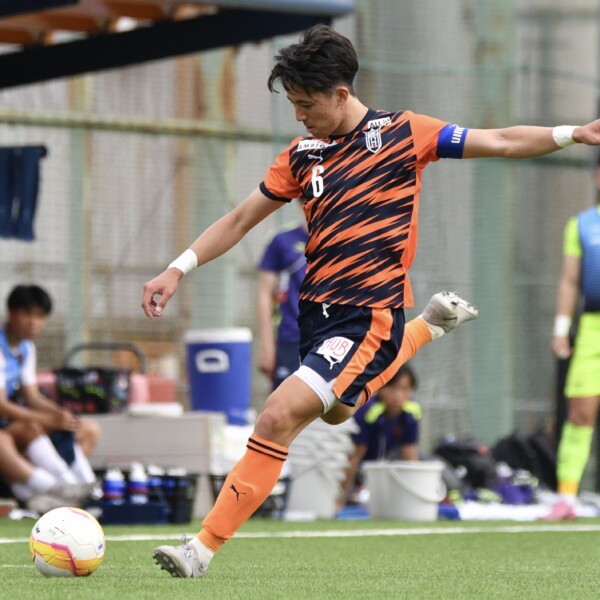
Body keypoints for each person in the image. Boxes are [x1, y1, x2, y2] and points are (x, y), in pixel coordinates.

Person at [141, 24, 600, 577]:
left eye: (306, 104)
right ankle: (425, 328)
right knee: (338, 411)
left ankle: (201, 548)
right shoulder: (302, 154)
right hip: (316, 315)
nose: (298, 116)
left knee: (278, 415)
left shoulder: (404, 133)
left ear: (341, 94)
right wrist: (177, 267)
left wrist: (574, 132)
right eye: (292, 104)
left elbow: (499, 140)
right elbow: (240, 220)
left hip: (367, 314)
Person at [0, 284, 101, 509]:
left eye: (40, 316)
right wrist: (47, 419)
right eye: (27, 314)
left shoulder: (26, 348)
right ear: (11, 312)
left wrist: (60, 414)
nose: (33, 322)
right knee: (22, 431)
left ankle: (81, 488)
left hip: (9, 420)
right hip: (5, 422)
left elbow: (32, 396)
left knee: (86, 428)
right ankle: (61, 489)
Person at [542, 161, 600, 521]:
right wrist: (561, 329)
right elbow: (569, 280)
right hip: (592, 328)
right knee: (580, 413)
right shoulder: (581, 224)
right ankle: (566, 498)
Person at [336, 364, 421, 511]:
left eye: (404, 389)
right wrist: (339, 501)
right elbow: (353, 459)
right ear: (380, 387)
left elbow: (410, 457)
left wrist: (416, 498)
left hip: (386, 466)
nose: (398, 396)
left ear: (412, 391)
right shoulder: (367, 412)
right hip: (359, 471)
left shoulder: (410, 415)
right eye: (392, 388)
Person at [257, 216, 309, 390]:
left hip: (331, 339)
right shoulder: (281, 240)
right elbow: (265, 293)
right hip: (290, 338)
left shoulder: (342, 240)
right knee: (285, 401)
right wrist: (267, 347)